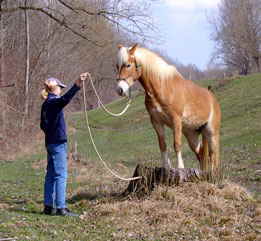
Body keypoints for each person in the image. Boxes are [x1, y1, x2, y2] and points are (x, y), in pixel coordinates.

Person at [40, 73, 88, 216]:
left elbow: (42, 125)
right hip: (58, 144)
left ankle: (48, 207)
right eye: (60, 87)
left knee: (50, 175)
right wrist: (77, 84)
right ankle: (61, 208)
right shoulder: (53, 102)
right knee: (61, 175)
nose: (61, 89)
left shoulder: (45, 104)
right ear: (55, 89)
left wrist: (50, 132)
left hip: (50, 143)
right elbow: (65, 99)